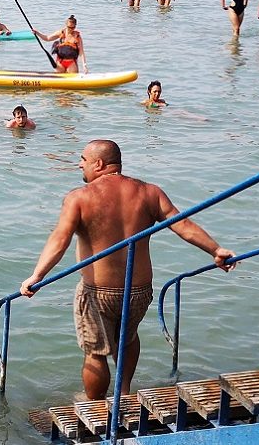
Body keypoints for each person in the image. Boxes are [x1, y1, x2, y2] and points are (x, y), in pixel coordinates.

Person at [19, 140, 235, 401]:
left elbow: (60, 239)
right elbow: (184, 225)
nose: (80, 164)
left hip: (97, 291)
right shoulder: (149, 192)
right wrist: (216, 250)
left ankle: (95, 405)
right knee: (128, 339)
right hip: (139, 291)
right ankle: (123, 393)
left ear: (98, 164)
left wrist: (37, 276)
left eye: (83, 160)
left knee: (96, 351)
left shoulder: (79, 197)